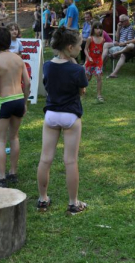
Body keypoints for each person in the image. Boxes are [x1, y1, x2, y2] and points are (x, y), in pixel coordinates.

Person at [37, 27, 88, 214]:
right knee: (70, 161)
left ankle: (43, 199)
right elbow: (82, 91)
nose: (81, 49)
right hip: (70, 116)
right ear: (69, 47)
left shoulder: (48, 65)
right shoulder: (77, 69)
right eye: (79, 46)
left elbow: (49, 84)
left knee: (45, 159)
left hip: (51, 114)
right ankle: (73, 203)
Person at [0, 27, 30, 188]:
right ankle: (13, 172)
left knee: (1, 140)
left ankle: (2, 176)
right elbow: (28, 82)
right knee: (14, 137)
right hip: (18, 99)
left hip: (4, 100)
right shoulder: (18, 59)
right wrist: (25, 102)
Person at [84, 21, 105, 103]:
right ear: (93, 29)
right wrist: (88, 57)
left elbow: (102, 50)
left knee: (99, 77)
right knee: (88, 78)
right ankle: (82, 89)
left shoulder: (103, 39)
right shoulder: (90, 39)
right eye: (96, 28)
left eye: (100, 28)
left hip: (98, 61)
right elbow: (85, 49)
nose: (98, 30)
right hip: (90, 61)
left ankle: (99, 94)